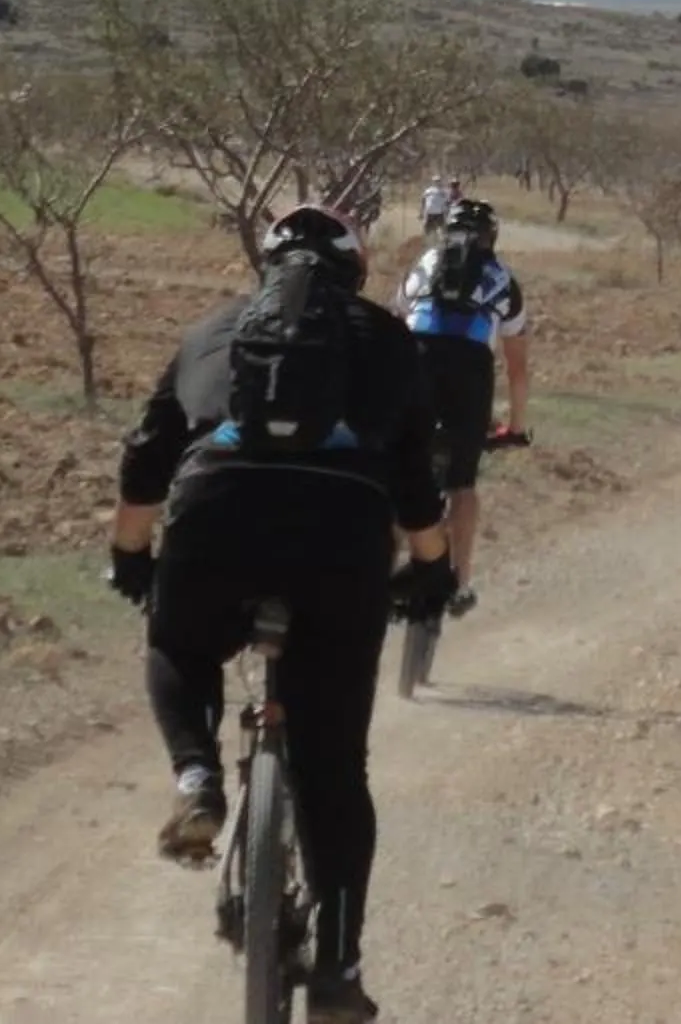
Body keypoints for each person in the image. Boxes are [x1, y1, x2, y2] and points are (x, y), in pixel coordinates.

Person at [110, 205, 456, 1023]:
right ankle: (337, 968)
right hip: (340, 534)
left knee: (180, 642)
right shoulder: (385, 338)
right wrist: (431, 573)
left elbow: (147, 455)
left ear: (265, 267)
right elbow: (415, 478)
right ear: (356, 271)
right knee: (335, 772)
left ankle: (196, 776)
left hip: (215, 509)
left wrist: (133, 558)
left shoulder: (212, 330)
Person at [395, 196, 530, 611]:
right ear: (493, 237)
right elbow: (517, 370)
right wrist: (516, 428)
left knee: (395, 470)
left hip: (415, 358)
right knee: (462, 483)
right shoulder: (503, 278)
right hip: (469, 371)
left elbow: (396, 322)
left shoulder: (423, 265)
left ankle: (376, 570)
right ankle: (460, 582)